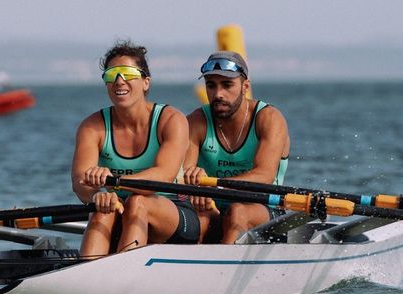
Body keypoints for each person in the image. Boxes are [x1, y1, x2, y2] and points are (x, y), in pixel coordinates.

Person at [71, 40, 198, 257]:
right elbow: (80, 183)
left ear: (145, 82)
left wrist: (113, 184)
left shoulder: (171, 120)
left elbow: (163, 175)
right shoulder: (92, 127)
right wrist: (97, 195)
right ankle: (85, 276)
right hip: (122, 207)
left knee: (138, 202)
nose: (119, 81)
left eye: (128, 73)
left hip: (175, 214)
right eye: (112, 75)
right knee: (103, 209)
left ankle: (122, 278)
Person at [182, 51, 290, 244]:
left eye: (227, 85)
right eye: (211, 86)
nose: (218, 94)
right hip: (212, 206)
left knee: (238, 211)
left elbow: (264, 176)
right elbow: (182, 176)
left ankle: (219, 271)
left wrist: (210, 185)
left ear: (245, 87)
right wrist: (192, 184)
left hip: (263, 209)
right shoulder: (196, 121)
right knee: (197, 217)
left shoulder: (269, 119)